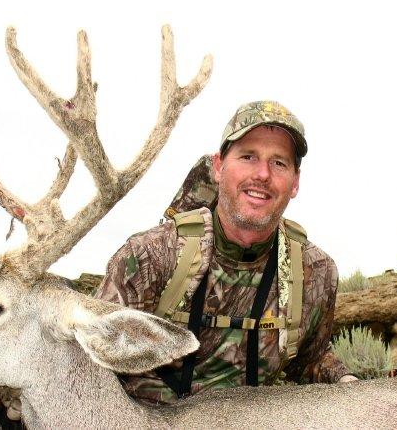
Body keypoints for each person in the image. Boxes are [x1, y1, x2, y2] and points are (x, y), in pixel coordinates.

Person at [95, 100, 357, 405]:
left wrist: (348, 385)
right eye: (248, 156)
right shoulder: (149, 257)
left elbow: (310, 361)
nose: (262, 174)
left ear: (295, 182)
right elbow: (97, 360)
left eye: (279, 162)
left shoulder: (317, 272)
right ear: (219, 167)